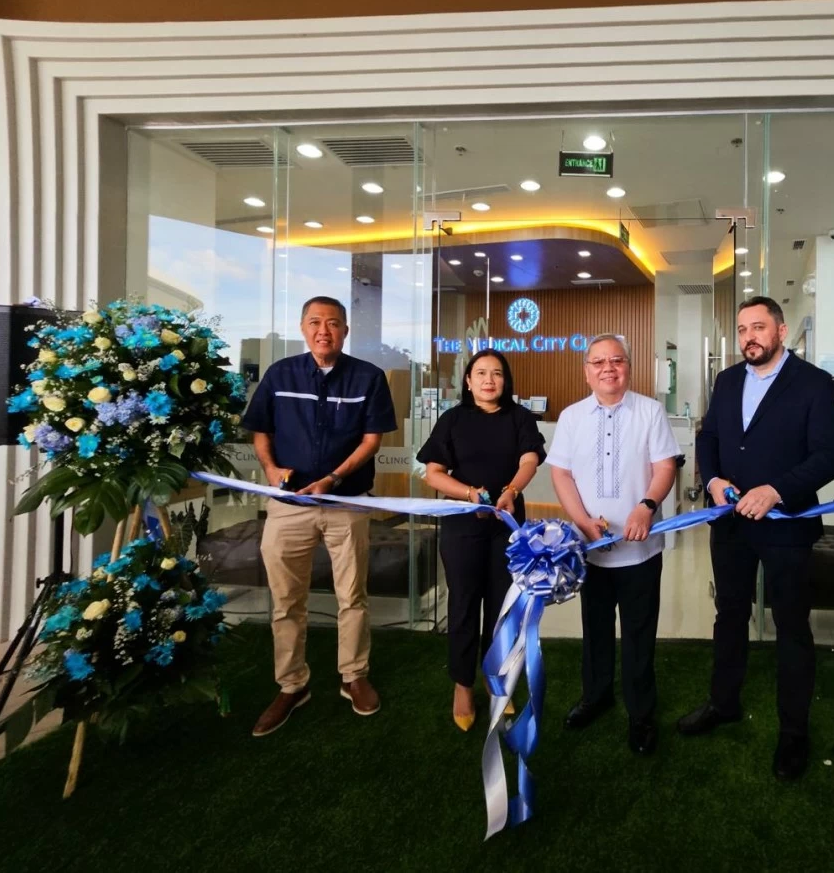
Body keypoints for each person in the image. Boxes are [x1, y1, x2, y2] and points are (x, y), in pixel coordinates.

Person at [677, 295, 834, 780]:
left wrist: (775, 490)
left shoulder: (815, 383)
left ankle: (794, 734)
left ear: (780, 330)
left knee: (791, 626)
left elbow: (828, 456)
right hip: (730, 525)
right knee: (728, 614)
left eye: (758, 327)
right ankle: (722, 703)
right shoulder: (728, 380)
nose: (749, 336)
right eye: (742, 329)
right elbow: (708, 438)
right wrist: (711, 481)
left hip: (786, 527)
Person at [242, 296, 397, 737]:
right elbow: (261, 432)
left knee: (353, 594)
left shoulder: (368, 377)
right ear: (303, 327)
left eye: (332, 323)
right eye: (314, 323)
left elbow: (371, 442)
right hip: (289, 507)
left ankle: (353, 676)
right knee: (287, 600)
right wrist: (271, 471)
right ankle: (292, 684)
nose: (323, 331)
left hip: (347, 502)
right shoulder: (280, 374)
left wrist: (332, 478)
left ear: (345, 331)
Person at [546, 334, 679, 755]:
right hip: (591, 549)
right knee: (595, 629)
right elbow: (562, 475)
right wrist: (582, 522)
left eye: (617, 360)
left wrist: (647, 506)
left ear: (628, 367)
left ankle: (641, 714)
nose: (608, 368)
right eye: (599, 362)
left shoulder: (651, 411)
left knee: (639, 633)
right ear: (586, 371)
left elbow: (664, 467)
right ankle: (596, 695)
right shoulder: (570, 417)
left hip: (640, 550)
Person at [416, 349, 546, 731]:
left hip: (507, 526)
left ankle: (498, 682)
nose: (489, 380)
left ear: (506, 382)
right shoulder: (453, 419)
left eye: (497, 374)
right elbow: (433, 474)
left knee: (503, 609)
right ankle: (462, 684)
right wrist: (469, 494)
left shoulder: (520, 418)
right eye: (481, 373)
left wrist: (512, 491)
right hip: (462, 527)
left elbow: (529, 460)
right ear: (468, 381)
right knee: (463, 605)